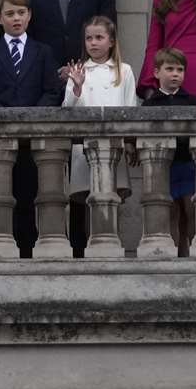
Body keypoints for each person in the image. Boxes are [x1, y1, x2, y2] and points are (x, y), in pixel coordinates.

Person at [0, 0, 61, 256]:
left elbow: (53, 91)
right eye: (10, 13)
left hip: (34, 141)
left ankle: (31, 252)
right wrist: (3, 115)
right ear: (0, 18)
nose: (16, 18)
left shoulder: (43, 51)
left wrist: (32, 116)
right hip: (1, 142)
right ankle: (4, 251)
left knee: (36, 196)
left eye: (21, 12)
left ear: (30, 15)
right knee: (0, 199)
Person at [62, 14, 138, 255]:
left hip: (114, 146)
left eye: (99, 37)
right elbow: (67, 109)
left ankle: (111, 244)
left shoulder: (123, 71)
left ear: (111, 41)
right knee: (87, 199)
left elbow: (130, 108)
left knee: (111, 197)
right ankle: (89, 247)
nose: (93, 43)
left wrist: (129, 142)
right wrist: (76, 87)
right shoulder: (79, 69)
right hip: (84, 147)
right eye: (88, 38)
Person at [142, 46, 196, 254]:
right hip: (163, 167)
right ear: (157, 72)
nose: (175, 74)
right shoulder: (149, 105)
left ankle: (195, 252)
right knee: (171, 211)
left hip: (187, 163)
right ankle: (173, 254)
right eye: (170, 69)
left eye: (180, 70)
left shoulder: (192, 102)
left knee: (191, 209)